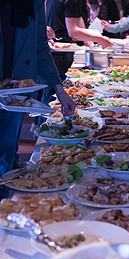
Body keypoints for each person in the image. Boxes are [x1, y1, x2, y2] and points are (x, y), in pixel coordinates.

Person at [0, 0, 76, 200]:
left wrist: (60, 91)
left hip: (14, 96)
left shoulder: (32, 3)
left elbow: (40, 47)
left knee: (4, 166)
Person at [46, 0, 113, 81]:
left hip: (50, 48)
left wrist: (86, 39)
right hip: (59, 51)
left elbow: (76, 17)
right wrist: (100, 39)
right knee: (57, 88)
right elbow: (73, 32)